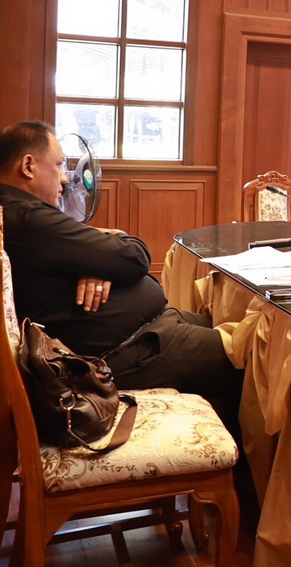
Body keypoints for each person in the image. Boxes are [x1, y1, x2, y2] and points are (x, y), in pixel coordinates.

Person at [0, 121, 241, 427]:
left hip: (146, 331)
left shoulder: (15, 213)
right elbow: (135, 256)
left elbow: (113, 258)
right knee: (247, 356)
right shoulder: (29, 218)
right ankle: (246, 455)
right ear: (28, 166)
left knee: (222, 323)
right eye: (59, 165)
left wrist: (98, 262)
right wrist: (109, 248)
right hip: (121, 354)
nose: (65, 178)